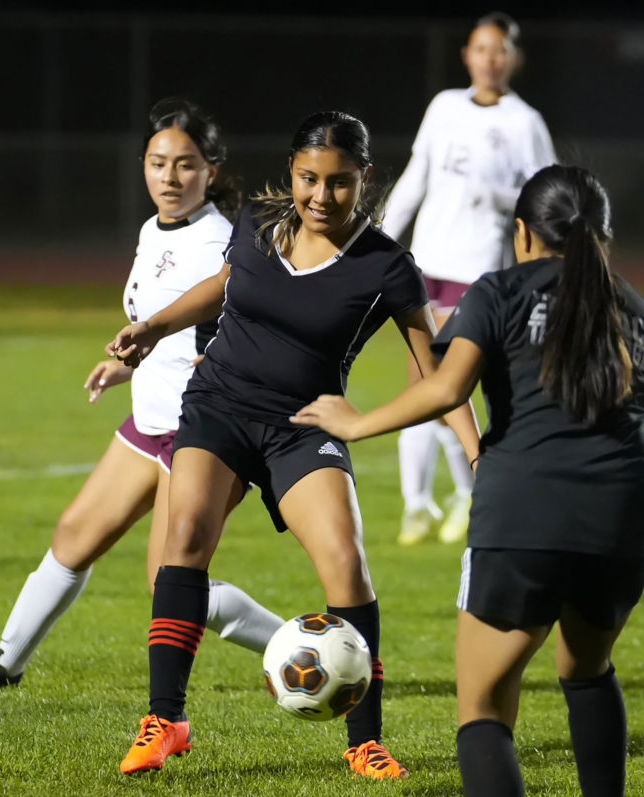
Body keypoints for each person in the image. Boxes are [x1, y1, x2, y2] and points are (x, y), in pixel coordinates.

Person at [292, 164, 644, 796]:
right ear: (603, 238)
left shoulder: (500, 292)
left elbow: (447, 386)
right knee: (588, 671)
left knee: (482, 710)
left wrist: (356, 423)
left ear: (523, 234)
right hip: (623, 522)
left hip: (524, 514)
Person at [107, 110, 481, 779]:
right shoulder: (258, 221)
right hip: (219, 405)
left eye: (339, 182)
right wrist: (155, 327)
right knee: (183, 538)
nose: (320, 195)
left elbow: (441, 378)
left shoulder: (388, 266)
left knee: (345, 561)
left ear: (363, 180)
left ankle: (364, 741)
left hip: (303, 426)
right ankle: (166, 720)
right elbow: (226, 286)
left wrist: (481, 458)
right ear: (292, 172)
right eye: (309, 178)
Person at [0, 98, 283, 690]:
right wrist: (128, 365)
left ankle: (302, 644)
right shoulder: (152, 231)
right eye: (157, 162)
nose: (169, 178)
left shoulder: (224, 244)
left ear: (212, 171)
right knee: (74, 535)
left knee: (170, 581)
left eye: (186, 165)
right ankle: (4, 663)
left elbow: (249, 327)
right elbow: (162, 323)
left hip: (206, 430)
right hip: (152, 419)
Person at [381, 10, 556, 546]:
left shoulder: (525, 122)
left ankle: (462, 493)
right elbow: (416, 175)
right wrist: (381, 240)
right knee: (423, 383)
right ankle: (420, 505)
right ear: (468, 55)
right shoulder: (444, 108)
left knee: (443, 387)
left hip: (477, 269)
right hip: (423, 263)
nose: (490, 59)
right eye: (481, 48)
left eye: (500, 50)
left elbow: (548, 195)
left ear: (513, 58)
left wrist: (500, 197)